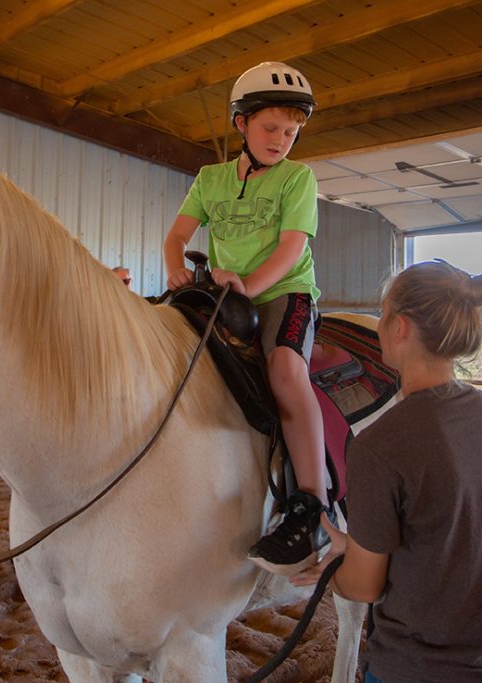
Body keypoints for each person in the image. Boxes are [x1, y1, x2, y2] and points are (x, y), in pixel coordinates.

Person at [292, 260, 482, 683]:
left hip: (421, 670)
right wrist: (357, 544)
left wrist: (339, 573)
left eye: (383, 313)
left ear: (400, 327)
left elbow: (364, 588)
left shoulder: (380, 446)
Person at [163, 61, 327, 572]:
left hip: (282, 291)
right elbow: (176, 236)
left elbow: (290, 247)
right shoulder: (210, 180)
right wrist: (175, 270)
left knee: (283, 369)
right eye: (271, 129)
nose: (282, 140)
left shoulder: (297, 178)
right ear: (242, 125)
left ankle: (310, 505)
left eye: (291, 132)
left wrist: (248, 286)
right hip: (222, 293)